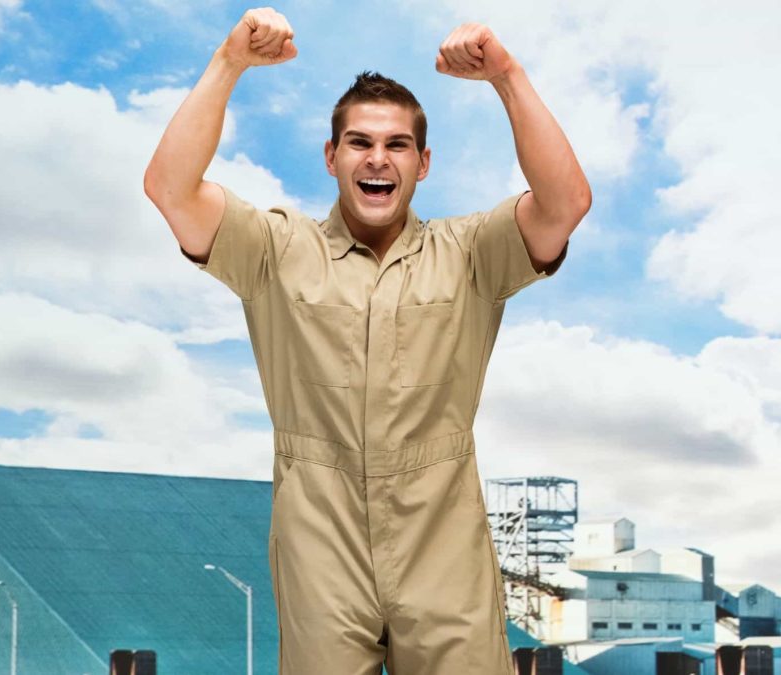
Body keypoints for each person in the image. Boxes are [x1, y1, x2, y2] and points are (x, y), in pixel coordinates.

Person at [144, 8, 590, 675]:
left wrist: (506, 74)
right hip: (322, 543)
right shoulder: (275, 248)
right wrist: (229, 61)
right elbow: (170, 189)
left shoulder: (471, 252)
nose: (377, 158)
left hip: (442, 543)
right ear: (331, 157)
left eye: (396, 144)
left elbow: (564, 203)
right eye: (358, 142)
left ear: (423, 162)